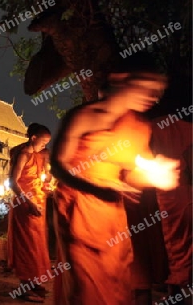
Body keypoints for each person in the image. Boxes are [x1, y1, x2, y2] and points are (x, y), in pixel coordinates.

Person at [50, 56, 179, 305]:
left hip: (111, 213)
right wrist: (93, 188)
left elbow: (134, 172)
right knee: (85, 285)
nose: (153, 96)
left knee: (116, 279)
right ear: (120, 80)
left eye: (157, 92)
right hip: (78, 207)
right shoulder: (83, 116)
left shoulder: (139, 127)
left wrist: (157, 174)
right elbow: (58, 165)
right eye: (146, 87)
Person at [8, 123, 52, 302]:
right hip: (25, 206)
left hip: (38, 203)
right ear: (33, 137)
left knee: (38, 246)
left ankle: (35, 283)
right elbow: (13, 182)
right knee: (27, 246)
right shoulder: (24, 154)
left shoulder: (38, 155)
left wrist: (46, 185)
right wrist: (29, 202)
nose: (44, 146)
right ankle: (25, 286)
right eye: (43, 142)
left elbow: (38, 178)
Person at [151, 115, 192, 304]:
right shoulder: (153, 126)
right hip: (167, 193)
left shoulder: (160, 126)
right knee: (176, 248)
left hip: (177, 194)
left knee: (180, 249)